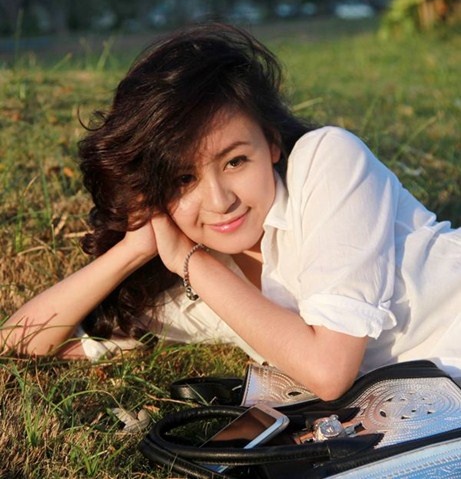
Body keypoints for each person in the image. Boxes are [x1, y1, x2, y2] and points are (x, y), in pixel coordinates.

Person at [1, 23, 460, 401]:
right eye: (183, 179)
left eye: (236, 161)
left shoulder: (327, 161)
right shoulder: (193, 287)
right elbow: (18, 342)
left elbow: (329, 372)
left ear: (272, 141)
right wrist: (136, 246)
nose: (221, 201)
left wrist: (190, 262)